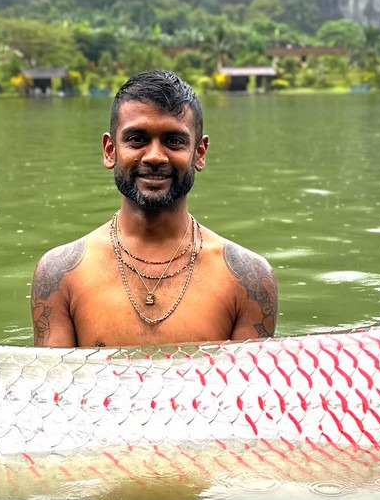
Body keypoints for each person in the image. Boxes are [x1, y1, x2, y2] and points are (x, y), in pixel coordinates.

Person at [31, 70, 277, 348]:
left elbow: (244, 388)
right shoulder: (61, 274)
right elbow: (54, 386)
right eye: (137, 139)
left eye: (174, 140)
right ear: (110, 150)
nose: (155, 156)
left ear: (199, 152)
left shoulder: (248, 279)